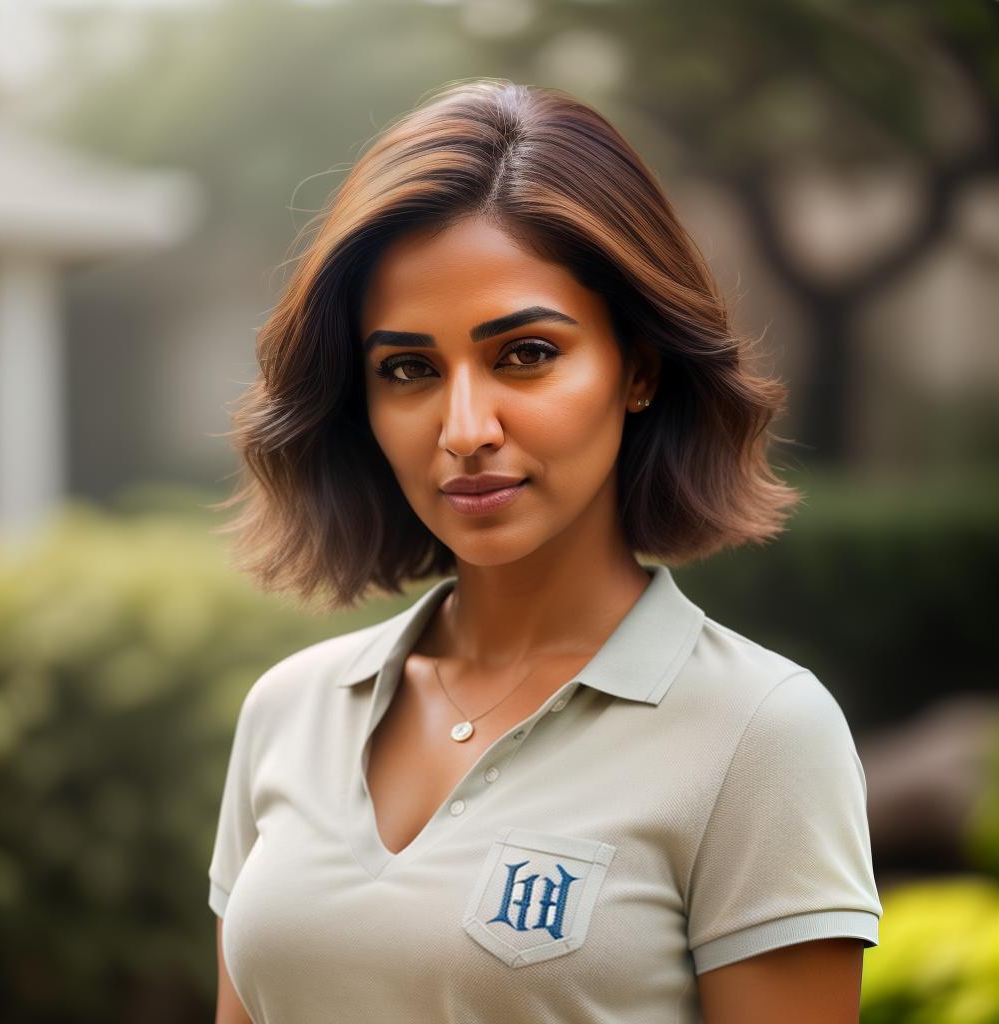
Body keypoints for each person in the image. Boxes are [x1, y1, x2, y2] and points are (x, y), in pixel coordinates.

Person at [207, 78, 882, 1024]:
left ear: (637, 367)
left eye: (524, 353)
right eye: (407, 370)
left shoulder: (759, 733)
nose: (465, 426)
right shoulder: (289, 711)